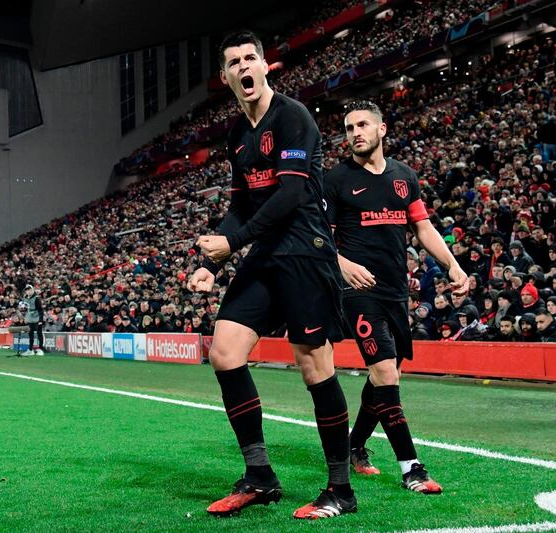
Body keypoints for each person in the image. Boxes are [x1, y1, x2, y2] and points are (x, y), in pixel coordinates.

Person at [188, 31, 353, 520]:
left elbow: (290, 195)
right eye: (233, 62)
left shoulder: (293, 117)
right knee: (224, 352)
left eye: (250, 58)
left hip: (305, 252)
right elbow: (242, 205)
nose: (244, 67)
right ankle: (260, 476)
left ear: (265, 66)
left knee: (314, 367)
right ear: (226, 78)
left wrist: (234, 245)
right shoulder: (237, 136)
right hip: (265, 254)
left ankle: (341, 490)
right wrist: (208, 262)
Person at [323, 100, 468, 494]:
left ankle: (355, 446)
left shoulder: (404, 176)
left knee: (385, 375)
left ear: (382, 129)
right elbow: (316, 238)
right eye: (349, 127)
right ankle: (411, 468)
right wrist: (342, 265)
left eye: (363, 125)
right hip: (356, 293)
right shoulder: (335, 180)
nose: (355, 132)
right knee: (385, 372)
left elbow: (422, 227)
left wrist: (453, 266)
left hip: (395, 293)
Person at [21, 284, 45, 356]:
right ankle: (30, 349)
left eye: (30, 290)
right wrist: (25, 317)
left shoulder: (37, 298)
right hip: (30, 318)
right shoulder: (25, 297)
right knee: (30, 334)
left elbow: (41, 310)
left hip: (37, 318)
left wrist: (40, 320)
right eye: (27, 290)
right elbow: (26, 308)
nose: (28, 291)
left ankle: (40, 349)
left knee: (39, 333)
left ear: (32, 290)